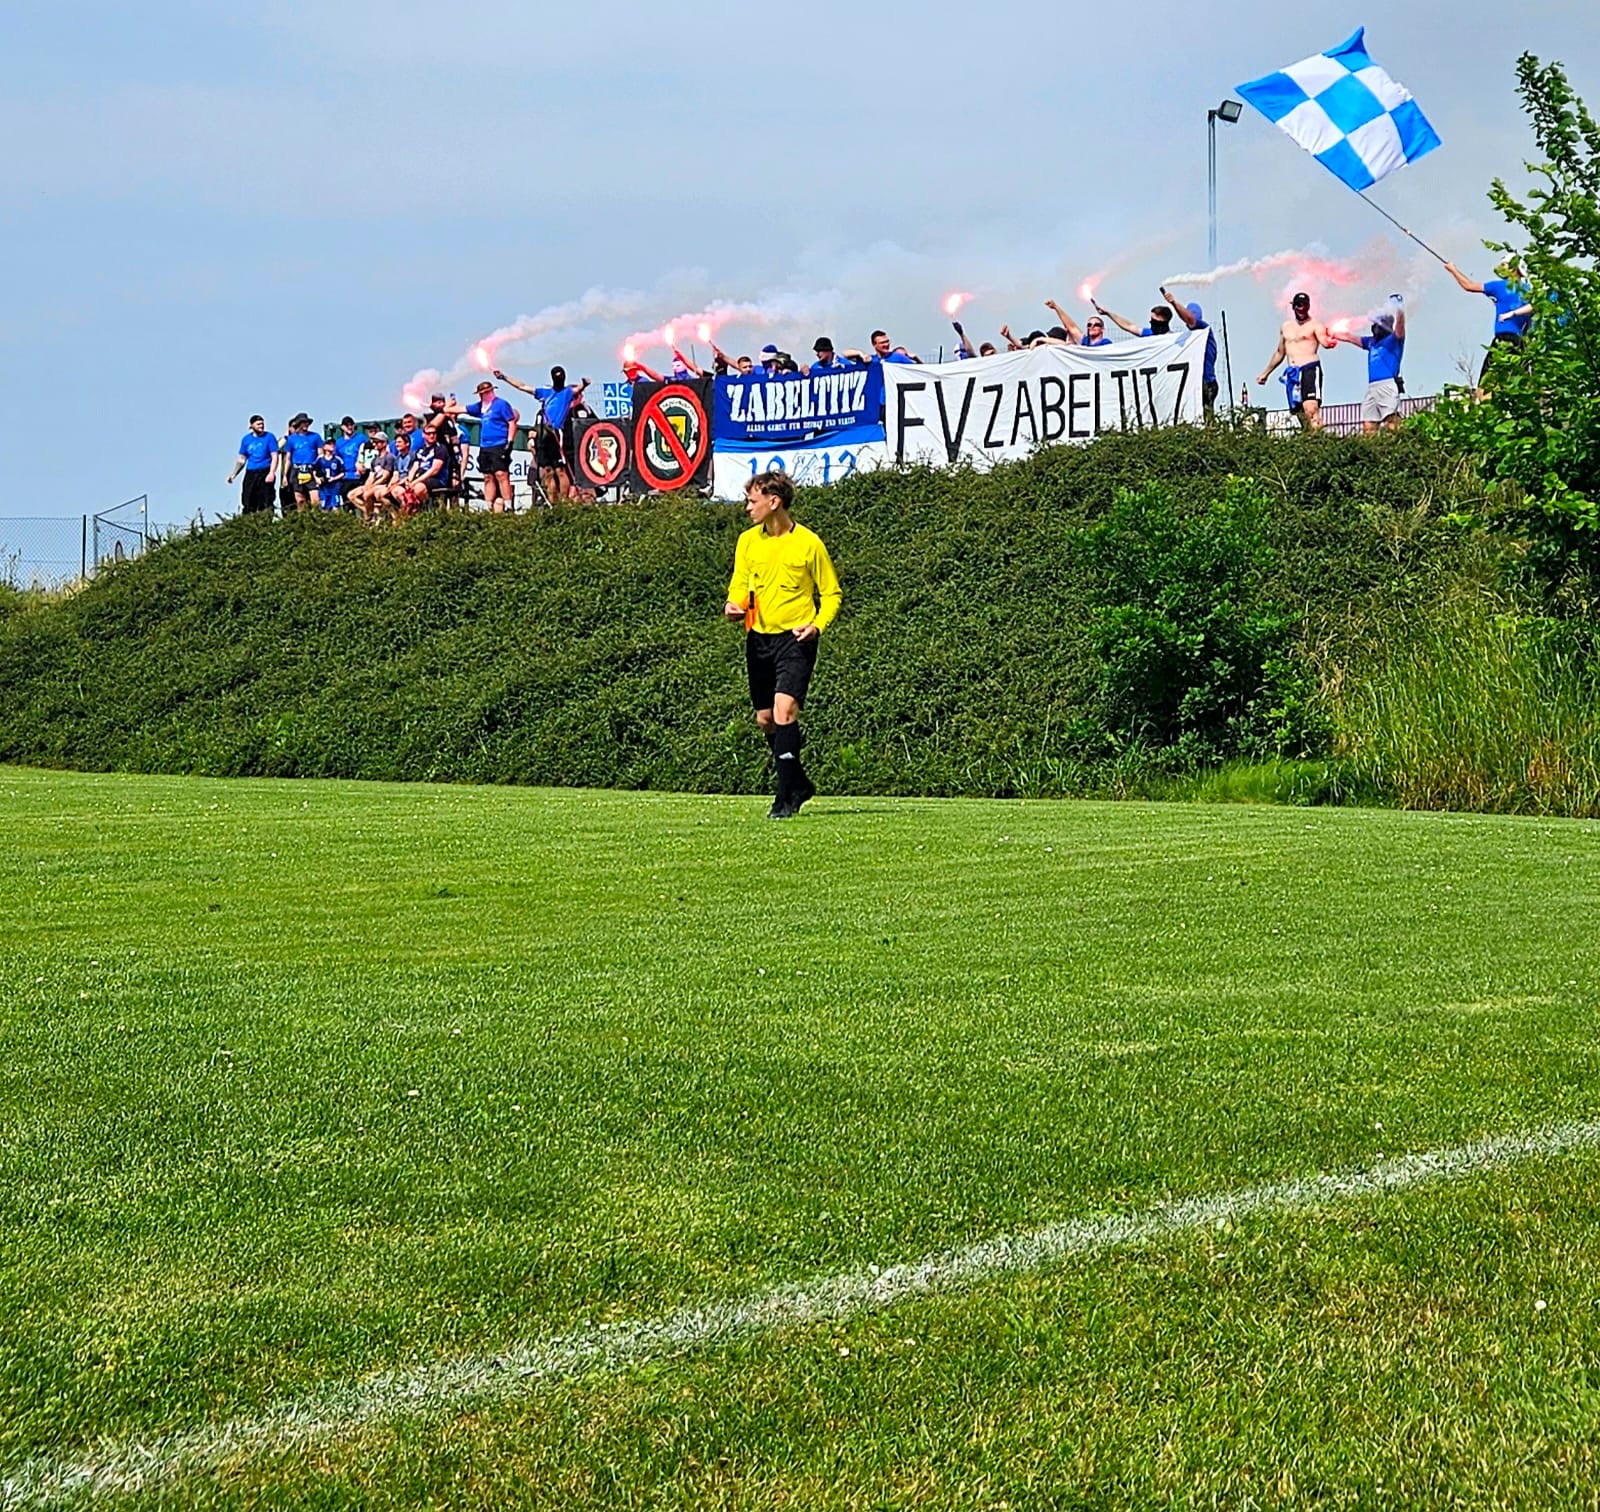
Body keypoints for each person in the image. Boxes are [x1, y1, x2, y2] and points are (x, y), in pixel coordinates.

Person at [723, 471, 842, 820]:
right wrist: (734, 606)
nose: (747, 508)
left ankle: (784, 799)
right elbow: (739, 587)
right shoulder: (747, 541)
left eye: (752, 501)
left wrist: (817, 626)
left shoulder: (809, 543)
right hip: (758, 638)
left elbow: (832, 594)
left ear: (774, 502)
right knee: (765, 720)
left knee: (784, 711)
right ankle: (799, 782)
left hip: (795, 639)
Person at [496, 365, 590, 504]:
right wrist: (504, 377)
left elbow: (579, 388)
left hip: (556, 433)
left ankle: (563, 501)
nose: (559, 379)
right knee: (547, 471)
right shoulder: (545, 392)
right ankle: (553, 502)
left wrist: (584, 383)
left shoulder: (567, 392)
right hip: (543, 434)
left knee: (560, 470)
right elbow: (523, 386)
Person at [1443, 258, 1534, 396]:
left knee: (1485, 388)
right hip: (1521, 343)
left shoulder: (1499, 286)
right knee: (1521, 385)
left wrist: (1453, 270)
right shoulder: (1528, 290)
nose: (1500, 267)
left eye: (1504, 265)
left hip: (1503, 339)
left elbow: (1468, 285)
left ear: (1513, 269)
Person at [1328, 297, 1407, 434]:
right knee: (1369, 424)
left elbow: (1400, 327)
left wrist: (1400, 309)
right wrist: (1331, 332)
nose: (1374, 328)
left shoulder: (1394, 340)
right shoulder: (1371, 342)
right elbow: (1350, 337)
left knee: (1392, 422)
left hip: (1387, 385)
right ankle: (1371, 452)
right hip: (1372, 387)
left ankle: (1399, 447)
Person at [1257, 291, 1334, 431]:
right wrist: (1265, 373)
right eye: (1299, 305)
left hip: (1309, 368)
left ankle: (1320, 440)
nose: (1302, 308)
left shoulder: (1315, 325)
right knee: (1299, 412)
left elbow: (1325, 342)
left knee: (1310, 408)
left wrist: (1330, 341)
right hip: (1293, 373)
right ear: (1293, 307)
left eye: (1305, 305)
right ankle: (1309, 441)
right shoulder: (1286, 327)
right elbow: (1280, 352)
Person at [447, 379, 519, 512]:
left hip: (499, 443)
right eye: (482, 393)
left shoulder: (501, 404)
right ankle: (488, 506)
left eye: (487, 392)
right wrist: (448, 406)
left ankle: (508, 505)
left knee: (501, 474)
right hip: (485, 445)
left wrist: (510, 442)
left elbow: (511, 422)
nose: (485, 395)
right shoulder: (480, 406)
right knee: (487, 476)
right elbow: (459, 409)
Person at [1158, 287, 1221, 418]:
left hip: (1206, 383)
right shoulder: (1191, 337)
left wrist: (1174, 303)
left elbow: (1190, 319)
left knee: (1205, 418)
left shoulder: (1204, 330)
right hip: (1197, 384)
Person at [227, 415, 278, 516]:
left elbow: (275, 456)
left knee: (266, 501)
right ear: (251, 426)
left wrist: (272, 473)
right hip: (251, 472)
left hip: (265, 471)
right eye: (258, 424)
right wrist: (233, 474)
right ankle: (248, 522)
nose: (261, 426)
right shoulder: (246, 439)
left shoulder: (269, 437)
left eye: (262, 424)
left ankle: (266, 522)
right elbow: (242, 459)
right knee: (248, 500)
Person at [396, 422, 451, 514]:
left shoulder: (440, 448)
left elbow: (434, 470)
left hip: (436, 479)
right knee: (397, 490)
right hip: (420, 477)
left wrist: (415, 481)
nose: (432, 435)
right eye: (429, 433)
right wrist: (409, 480)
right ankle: (408, 512)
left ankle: (427, 510)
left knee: (418, 488)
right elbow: (415, 466)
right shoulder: (420, 450)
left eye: (434, 433)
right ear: (423, 435)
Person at [349, 433, 398, 523]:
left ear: (384, 443)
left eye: (377, 442)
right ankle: (370, 514)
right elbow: (371, 476)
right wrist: (367, 485)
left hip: (383, 484)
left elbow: (385, 477)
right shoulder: (374, 460)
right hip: (375, 484)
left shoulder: (389, 457)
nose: (374, 444)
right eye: (374, 442)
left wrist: (371, 487)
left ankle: (369, 517)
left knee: (367, 494)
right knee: (352, 495)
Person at [279, 413, 322, 513]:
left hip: (311, 468)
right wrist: (285, 476)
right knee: (300, 500)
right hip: (297, 469)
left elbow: (320, 454)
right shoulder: (291, 439)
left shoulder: (315, 437)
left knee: (315, 499)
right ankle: (302, 520)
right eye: (303, 423)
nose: (306, 425)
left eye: (307, 423)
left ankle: (317, 518)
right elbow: (288, 458)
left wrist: (319, 471)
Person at [1045, 299, 1111, 347]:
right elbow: (1072, 327)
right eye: (1089, 325)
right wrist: (1056, 307)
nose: (1092, 327)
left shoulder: (1105, 343)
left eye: (1096, 325)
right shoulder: (1085, 342)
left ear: (1102, 329)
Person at [1093, 298, 1173, 338]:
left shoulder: (1172, 338)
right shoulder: (1148, 333)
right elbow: (1128, 326)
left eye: (1154, 320)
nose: (1151, 322)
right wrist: (1108, 313)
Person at [332, 416, 365, 510]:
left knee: (360, 498)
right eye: (347, 425)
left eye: (351, 425)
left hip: (358, 475)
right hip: (345, 477)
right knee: (346, 501)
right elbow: (336, 459)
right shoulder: (339, 442)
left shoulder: (361, 438)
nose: (349, 427)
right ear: (342, 427)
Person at [842, 330, 919, 365]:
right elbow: (845, 354)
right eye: (882, 343)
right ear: (874, 344)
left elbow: (921, 371)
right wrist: (861, 353)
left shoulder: (898, 357)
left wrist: (916, 358)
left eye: (887, 341)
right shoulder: (870, 360)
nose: (886, 344)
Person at [312, 440, 346, 511]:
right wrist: (317, 479)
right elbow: (314, 470)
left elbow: (342, 473)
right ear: (324, 447)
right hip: (324, 487)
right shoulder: (320, 459)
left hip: (335, 487)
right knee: (324, 506)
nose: (332, 445)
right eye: (329, 444)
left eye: (333, 444)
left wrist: (334, 478)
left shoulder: (337, 459)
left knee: (336, 506)